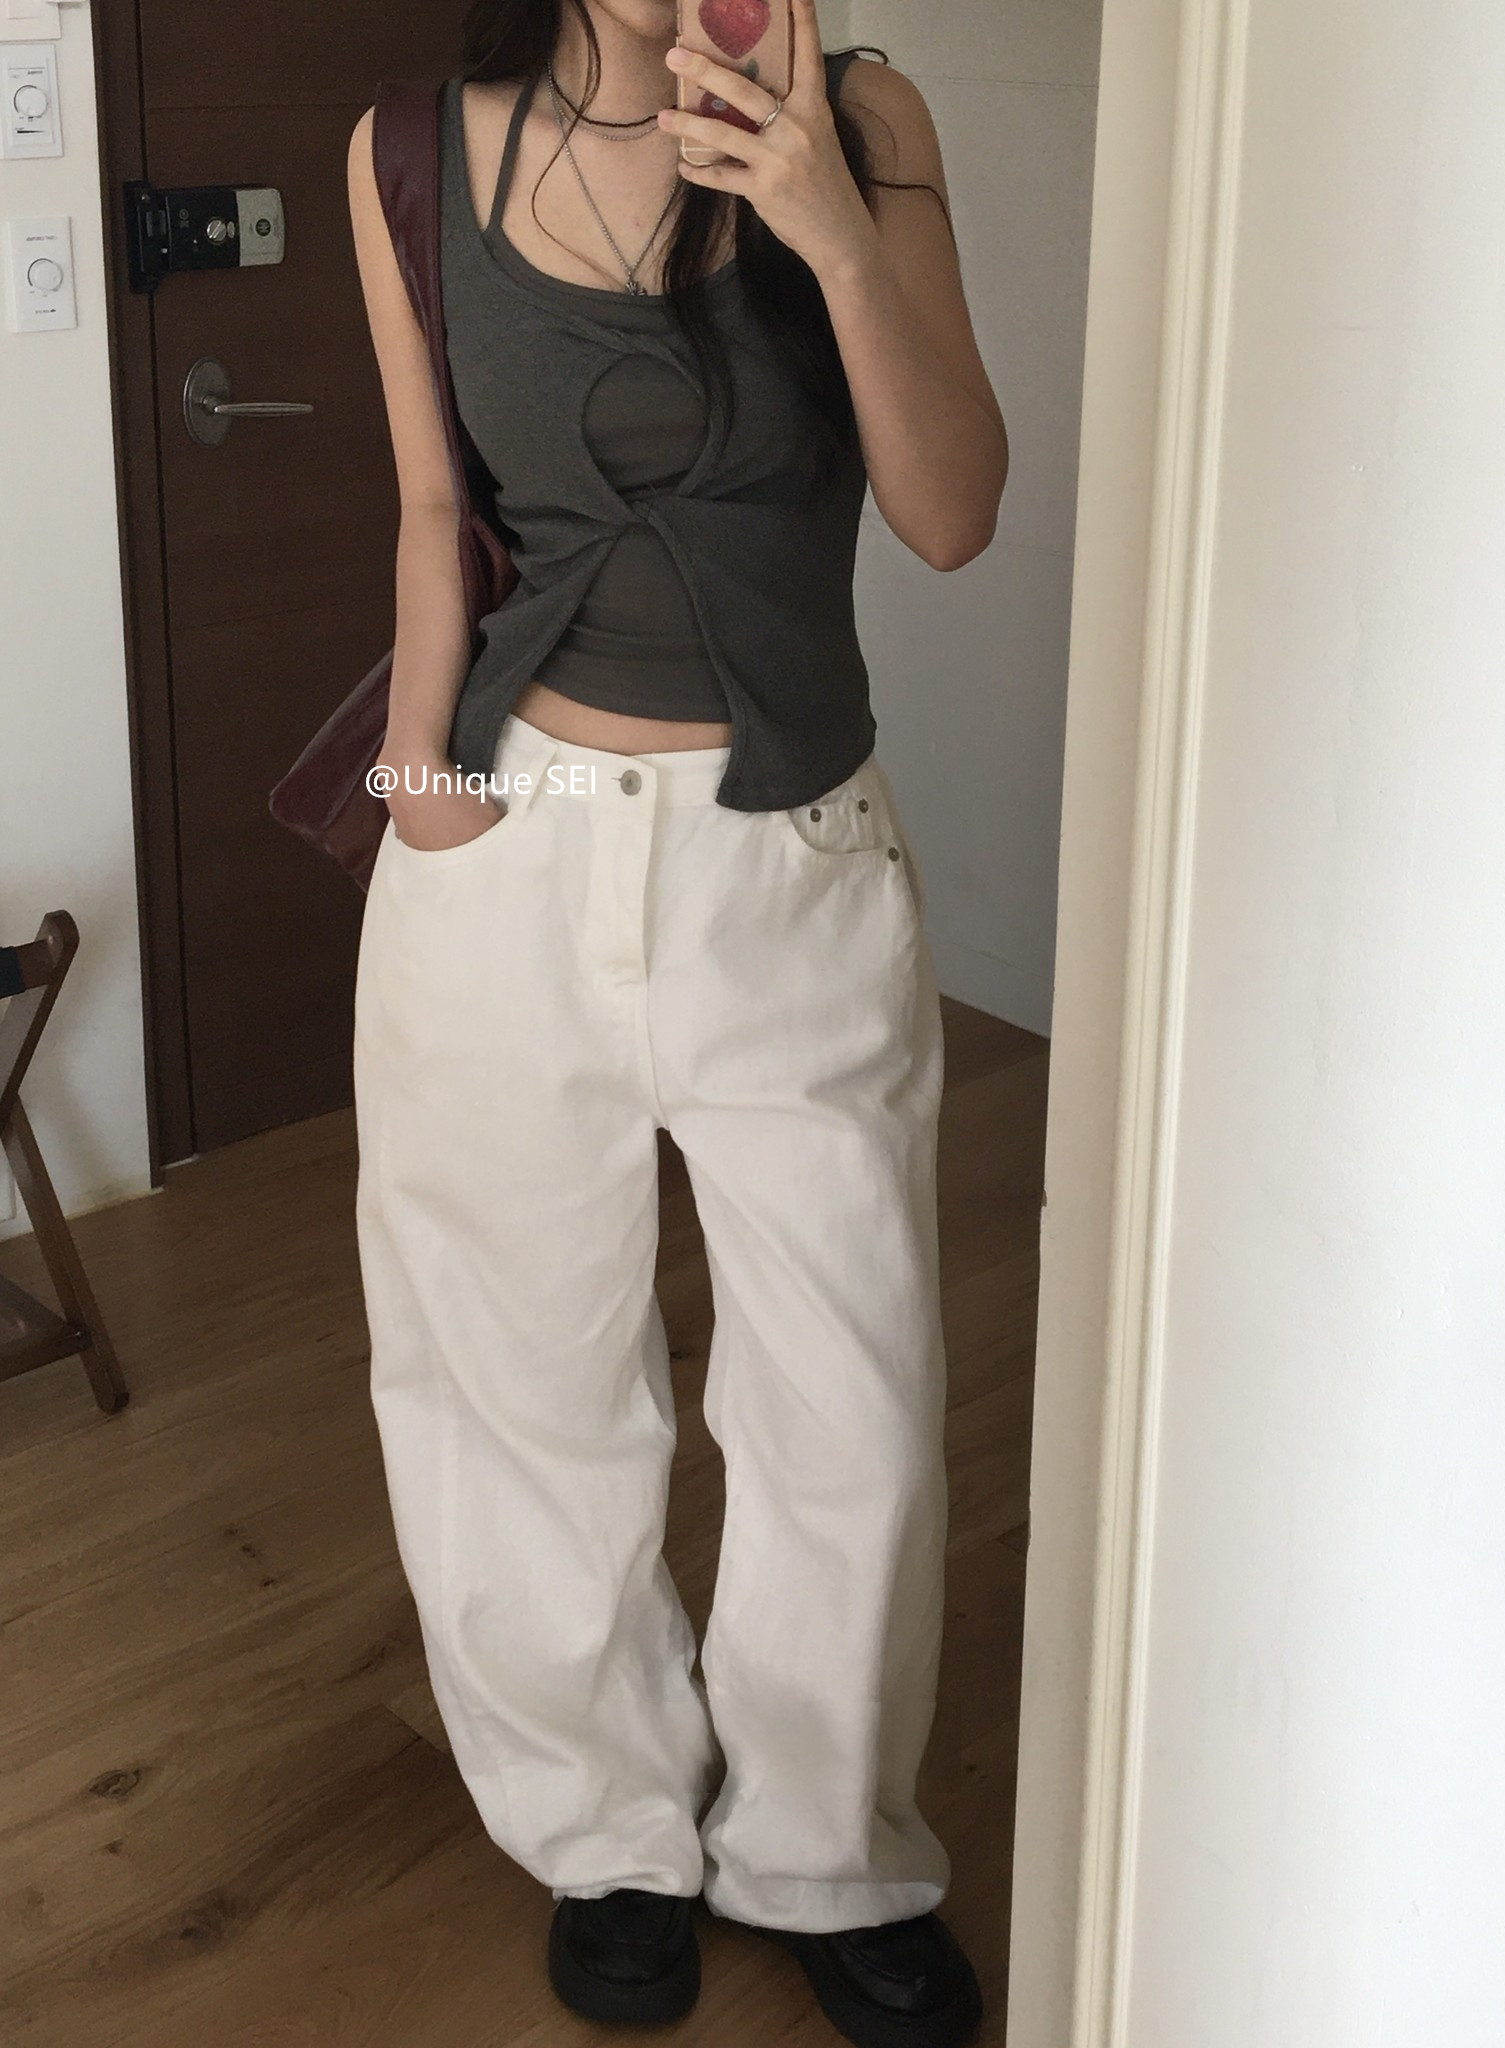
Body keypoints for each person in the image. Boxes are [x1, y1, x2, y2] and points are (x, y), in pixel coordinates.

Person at [346, 1, 1006, 2041]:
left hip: (785, 858)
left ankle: (826, 1841)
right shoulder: (410, 150)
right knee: (517, 1373)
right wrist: (416, 784)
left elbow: (955, 509)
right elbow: (432, 505)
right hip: (502, 847)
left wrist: (827, 220)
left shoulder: (866, 118)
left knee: (849, 1395)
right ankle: (606, 1822)